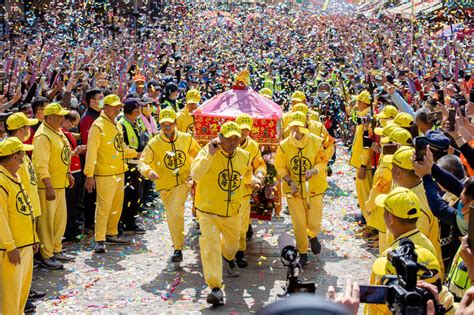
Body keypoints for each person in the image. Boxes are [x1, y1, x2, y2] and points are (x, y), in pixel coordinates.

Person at [190, 121, 252, 306]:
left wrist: (255, 181)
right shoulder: (207, 151)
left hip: (232, 212)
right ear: (220, 137)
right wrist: (209, 154)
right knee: (210, 247)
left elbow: (246, 175)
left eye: (236, 138)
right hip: (208, 211)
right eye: (228, 138)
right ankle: (215, 288)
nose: (233, 142)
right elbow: (196, 175)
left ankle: (230, 258)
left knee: (231, 247)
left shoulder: (244, 156)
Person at [138, 108, 200, 262]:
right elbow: (143, 161)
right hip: (164, 186)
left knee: (175, 213)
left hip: (182, 183)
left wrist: (194, 170)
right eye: (163, 124)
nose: (167, 127)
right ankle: (177, 246)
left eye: (170, 123)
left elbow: (199, 154)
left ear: (175, 123)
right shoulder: (154, 143)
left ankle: (178, 248)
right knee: (172, 216)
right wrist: (149, 171)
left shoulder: (186, 138)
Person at [84, 94, 138, 254]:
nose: (117, 109)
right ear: (105, 107)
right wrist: (89, 174)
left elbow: (120, 148)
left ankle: (112, 232)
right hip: (105, 174)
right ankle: (99, 239)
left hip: (119, 171)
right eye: (113, 106)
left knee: (116, 206)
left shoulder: (117, 125)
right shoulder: (97, 126)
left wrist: (136, 153)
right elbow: (91, 152)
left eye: (118, 106)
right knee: (103, 207)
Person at [275, 111, 329, 267]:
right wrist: (289, 180)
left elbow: (322, 162)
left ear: (306, 126)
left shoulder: (316, 142)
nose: (296, 131)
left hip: (314, 188)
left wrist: (314, 171)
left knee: (313, 222)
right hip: (294, 190)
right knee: (298, 223)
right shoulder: (284, 146)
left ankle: (312, 235)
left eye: (300, 127)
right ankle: (303, 252)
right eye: (294, 127)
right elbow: (280, 167)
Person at [383, 146, 444, 277]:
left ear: (399, 172)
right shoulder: (417, 190)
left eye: (392, 167)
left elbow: (414, 255)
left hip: (416, 277)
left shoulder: (416, 206)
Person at [32, 103, 75, 269]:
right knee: (46, 223)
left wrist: (68, 172)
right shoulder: (42, 136)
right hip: (47, 187)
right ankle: (46, 254)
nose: (63, 118)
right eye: (59, 116)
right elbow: (40, 165)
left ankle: (57, 249)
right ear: (49, 118)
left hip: (60, 183)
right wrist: (48, 185)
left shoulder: (57, 132)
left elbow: (63, 155)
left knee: (59, 221)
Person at [0, 138, 39, 314]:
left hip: (25, 244)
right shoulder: (1, 182)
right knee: (11, 295)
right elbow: (1, 219)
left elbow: (26, 211)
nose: (24, 159)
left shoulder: (14, 176)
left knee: (22, 294)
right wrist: (10, 246)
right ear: (14, 157)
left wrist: (34, 238)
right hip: (12, 249)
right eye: (22, 155)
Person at [235, 113, 266, 268]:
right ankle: (228, 251)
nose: (243, 132)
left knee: (241, 224)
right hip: (225, 190)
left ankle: (240, 252)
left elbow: (259, 163)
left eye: (246, 129)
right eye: (241, 129)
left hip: (245, 190)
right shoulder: (225, 143)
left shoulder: (253, 145)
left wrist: (259, 175)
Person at [119, 98, 146, 234]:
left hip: (137, 164)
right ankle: (126, 222)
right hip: (127, 165)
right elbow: (121, 147)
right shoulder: (122, 124)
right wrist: (136, 153)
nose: (139, 112)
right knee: (128, 195)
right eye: (137, 109)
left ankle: (132, 221)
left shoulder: (136, 122)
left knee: (136, 194)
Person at [80, 88, 103, 233]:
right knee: (91, 195)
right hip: (91, 162)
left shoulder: (99, 115)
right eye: (100, 98)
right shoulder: (88, 118)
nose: (103, 100)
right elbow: (88, 144)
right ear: (92, 101)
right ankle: (89, 224)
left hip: (101, 160)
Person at [349, 90, 374, 225]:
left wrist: (363, 165)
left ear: (364, 102)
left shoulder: (367, 119)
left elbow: (367, 145)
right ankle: (368, 222)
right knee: (363, 196)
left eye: (359, 101)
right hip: (361, 163)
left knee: (366, 196)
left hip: (365, 165)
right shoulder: (363, 116)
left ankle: (370, 225)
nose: (357, 104)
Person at [62, 111, 86, 242]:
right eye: (73, 124)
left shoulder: (67, 133)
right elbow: (63, 155)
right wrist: (75, 152)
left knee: (75, 203)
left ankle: (73, 229)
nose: (73, 127)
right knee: (69, 204)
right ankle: (68, 232)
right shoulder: (60, 134)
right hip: (70, 171)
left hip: (76, 170)